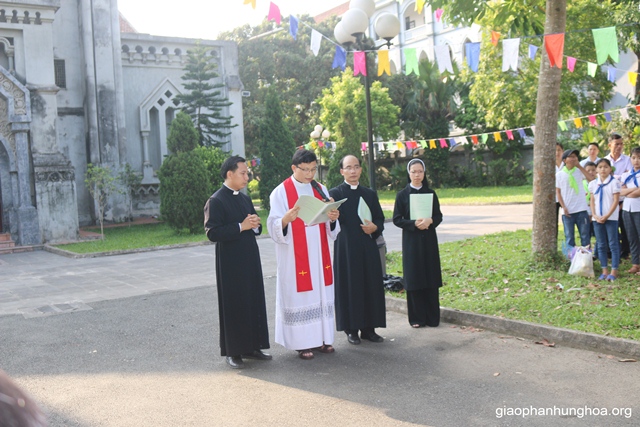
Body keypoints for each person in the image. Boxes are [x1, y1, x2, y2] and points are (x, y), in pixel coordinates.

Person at [267, 149, 340, 360]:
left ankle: (323, 339)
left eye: (313, 169)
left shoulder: (321, 188)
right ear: (294, 168)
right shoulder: (280, 192)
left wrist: (333, 216)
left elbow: (331, 226)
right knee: (301, 296)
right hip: (295, 256)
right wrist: (286, 220)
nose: (310, 174)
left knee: (321, 293)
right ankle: (302, 343)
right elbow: (272, 226)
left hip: (319, 252)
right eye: (305, 170)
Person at [204, 155, 271, 369]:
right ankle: (233, 351)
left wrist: (255, 224)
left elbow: (252, 223)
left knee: (253, 300)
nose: (247, 177)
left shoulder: (244, 198)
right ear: (229, 174)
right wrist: (240, 227)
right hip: (230, 263)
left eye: (247, 173)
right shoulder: (216, 201)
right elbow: (212, 232)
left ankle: (253, 346)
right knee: (234, 305)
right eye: (243, 173)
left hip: (250, 258)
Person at [329, 154, 386, 345]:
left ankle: (369, 329)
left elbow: (379, 218)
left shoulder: (369, 194)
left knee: (370, 285)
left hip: (368, 247)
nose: (353, 171)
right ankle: (351, 329)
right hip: (346, 248)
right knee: (350, 286)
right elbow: (331, 220)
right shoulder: (335, 194)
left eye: (356, 167)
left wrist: (375, 228)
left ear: (361, 169)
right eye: (348, 167)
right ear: (341, 171)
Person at [392, 158, 443, 328]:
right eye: (413, 171)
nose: (417, 175)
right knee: (415, 278)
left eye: (420, 171)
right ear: (409, 173)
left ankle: (432, 318)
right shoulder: (402, 195)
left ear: (424, 173)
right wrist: (413, 223)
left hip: (428, 240)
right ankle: (417, 318)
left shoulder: (431, 193)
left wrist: (430, 221)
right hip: (412, 241)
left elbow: (438, 216)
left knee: (430, 276)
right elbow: (397, 219)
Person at [589, 158, 621, 280]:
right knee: (601, 244)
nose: (603, 169)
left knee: (613, 244)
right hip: (597, 218)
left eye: (606, 167)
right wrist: (594, 215)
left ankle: (614, 271)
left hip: (611, 218)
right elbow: (592, 201)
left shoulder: (615, 183)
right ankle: (604, 270)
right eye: (600, 167)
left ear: (610, 169)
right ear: (597, 169)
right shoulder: (593, 184)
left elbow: (616, 201)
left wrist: (607, 215)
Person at [556, 149, 591, 249]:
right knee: (569, 237)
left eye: (575, 156)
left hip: (581, 209)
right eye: (570, 157)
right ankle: (572, 259)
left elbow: (591, 179)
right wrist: (563, 207)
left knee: (585, 236)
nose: (573, 159)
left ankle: (587, 259)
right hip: (568, 211)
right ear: (564, 160)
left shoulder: (579, 171)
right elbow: (558, 192)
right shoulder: (559, 175)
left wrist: (579, 166)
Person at [605, 133, 632, 258]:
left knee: (625, 226)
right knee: (611, 227)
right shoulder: (605, 161)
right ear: (610, 145)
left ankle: (626, 251)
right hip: (609, 201)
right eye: (617, 144)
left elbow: (628, 179)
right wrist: (620, 178)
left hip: (624, 200)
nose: (619, 147)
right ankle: (611, 251)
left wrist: (615, 178)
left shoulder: (628, 160)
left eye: (621, 144)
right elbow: (604, 178)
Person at [620, 147, 640, 275]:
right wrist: (630, 191)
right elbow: (621, 192)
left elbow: (637, 194)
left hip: (638, 209)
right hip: (627, 209)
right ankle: (635, 263)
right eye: (633, 158)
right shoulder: (626, 175)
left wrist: (629, 191)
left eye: (639, 158)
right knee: (631, 237)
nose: (636, 161)